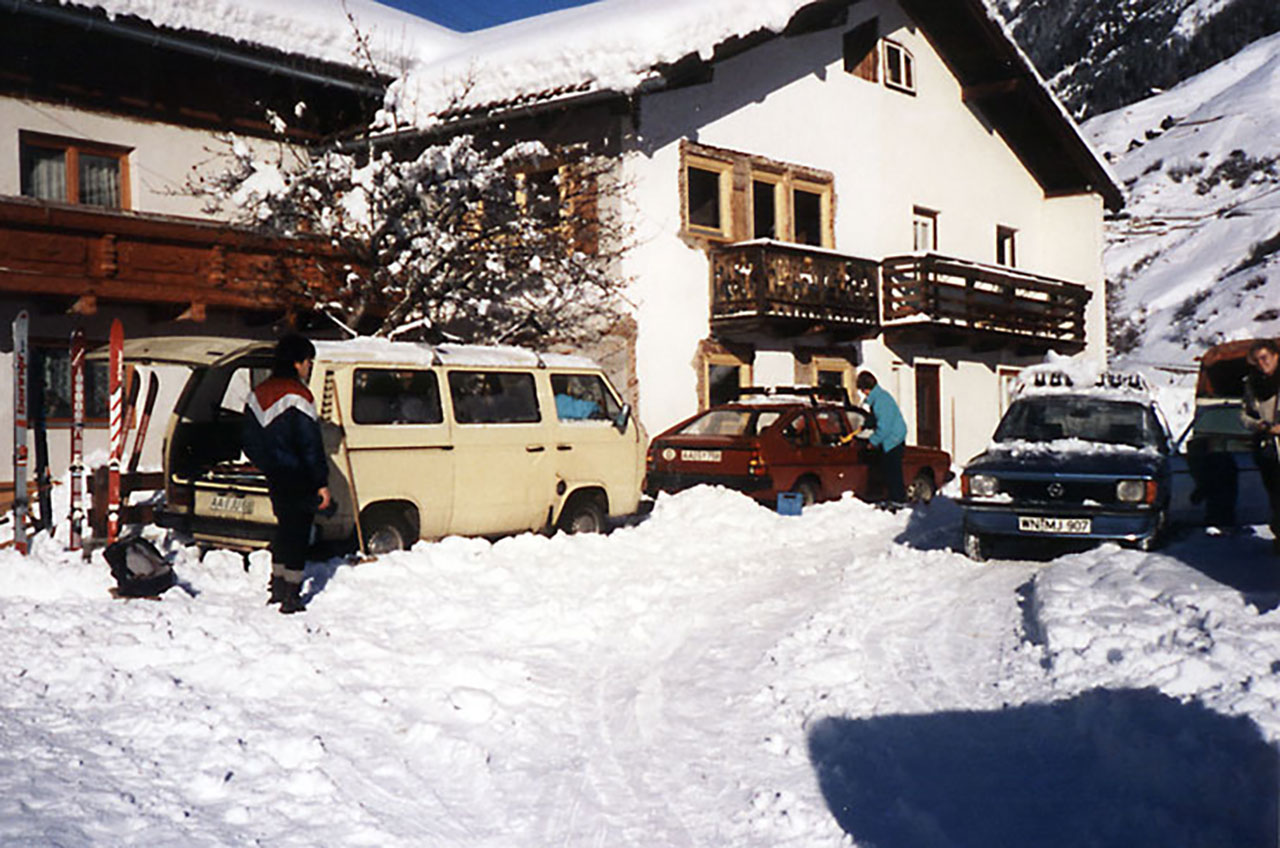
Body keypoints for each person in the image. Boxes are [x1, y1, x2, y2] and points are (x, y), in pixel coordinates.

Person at [242, 334, 331, 613]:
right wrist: (321, 482)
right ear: (297, 363)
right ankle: (292, 594)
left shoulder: (257, 393)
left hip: (275, 474)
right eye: (308, 362)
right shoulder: (300, 395)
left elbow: (249, 440)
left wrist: (269, 464)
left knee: (284, 528)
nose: (309, 367)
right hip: (300, 475)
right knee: (297, 533)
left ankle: (277, 585)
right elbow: (310, 444)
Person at [1242, 338, 1280, 552]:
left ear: (1276, 356)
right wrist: (1261, 425)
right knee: (1275, 497)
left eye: (1265, 358)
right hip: (1267, 448)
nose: (1261, 363)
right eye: (1257, 360)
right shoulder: (1252, 384)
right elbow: (1244, 415)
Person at [856, 370, 907, 506]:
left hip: (893, 439)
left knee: (893, 471)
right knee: (888, 470)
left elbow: (884, 426)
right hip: (891, 438)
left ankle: (898, 501)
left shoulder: (881, 401)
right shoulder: (879, 398)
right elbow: (877, 418)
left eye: (862, 390)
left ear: (866, 389)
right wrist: (866, 425)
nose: (862, 394)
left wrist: (872, 442)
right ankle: (893, 498)